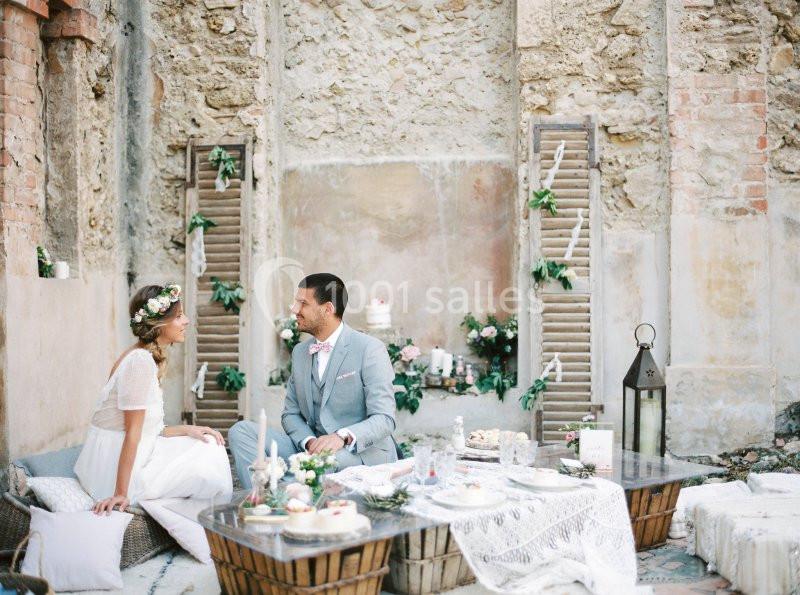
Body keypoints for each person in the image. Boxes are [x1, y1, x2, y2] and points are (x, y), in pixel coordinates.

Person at [75, 284, 233, 514]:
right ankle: (208, 531)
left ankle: (206, 527)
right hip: (112, 468)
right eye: (179, 316)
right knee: (208, 463)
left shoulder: (142, 356)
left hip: (136, 449)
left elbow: (150, 429)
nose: (186, 321)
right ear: (159, 324)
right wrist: (121, 492)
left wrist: (191, 429)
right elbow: (132, 433)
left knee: (207, 444)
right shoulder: (139, 362)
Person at [229, 273, 397, 489]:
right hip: (311, 448)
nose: (294, 309)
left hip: (360, 453)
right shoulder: (300, 352)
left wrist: (341, 437)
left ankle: (284, 496)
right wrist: (308, 441)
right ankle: (262, 497)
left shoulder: (369, 349)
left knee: (319, 466)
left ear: (327, 309)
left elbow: (384, 418)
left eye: (302, 303)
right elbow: (291, 414)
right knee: (240, 431)